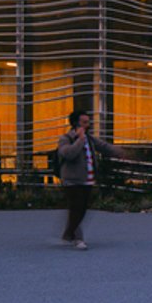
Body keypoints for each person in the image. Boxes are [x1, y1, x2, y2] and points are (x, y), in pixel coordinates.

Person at [54, 107, 129, 250]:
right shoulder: (66, 139)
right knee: (76, 208)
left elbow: (104, 146)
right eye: (84, 122)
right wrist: (80, 140)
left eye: (88, 122)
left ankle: (68, 234)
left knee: (82, 209)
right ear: (76, 124)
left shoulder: (90, 138)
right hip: (72, 180)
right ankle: (78, 239)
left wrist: (119, 152)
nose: (88, 125)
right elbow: (68, 154)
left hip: (87, 179)